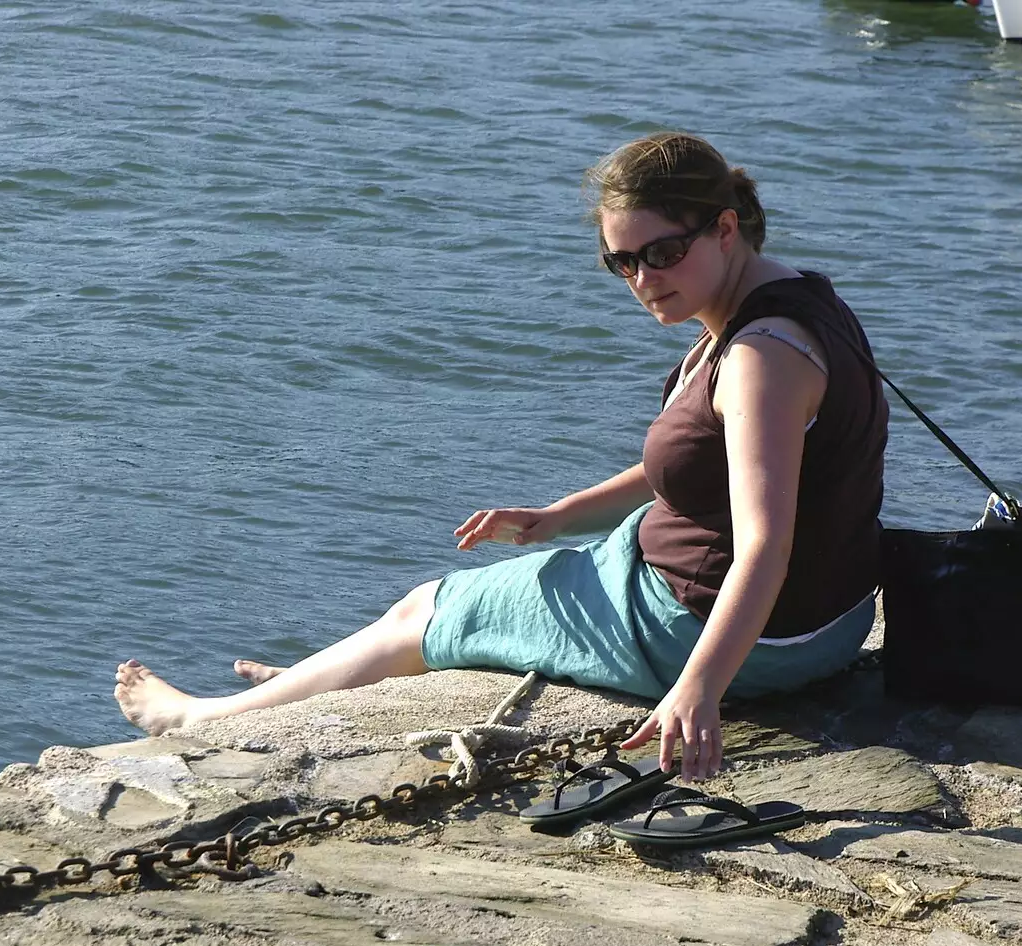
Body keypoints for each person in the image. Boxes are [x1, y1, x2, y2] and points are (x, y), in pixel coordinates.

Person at [116, 132, 888, 783]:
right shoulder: (792, 297)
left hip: (719, 630)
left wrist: (700, 687)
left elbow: (765, 542)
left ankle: (199, 715)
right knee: (445, 607)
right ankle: (318, 680)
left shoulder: (758, 358)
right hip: (827, 618)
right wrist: (558, 516)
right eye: (622, 262)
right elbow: (707, 467)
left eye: (663, 252)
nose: (644, 280)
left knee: (427, 608)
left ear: (724, 228)